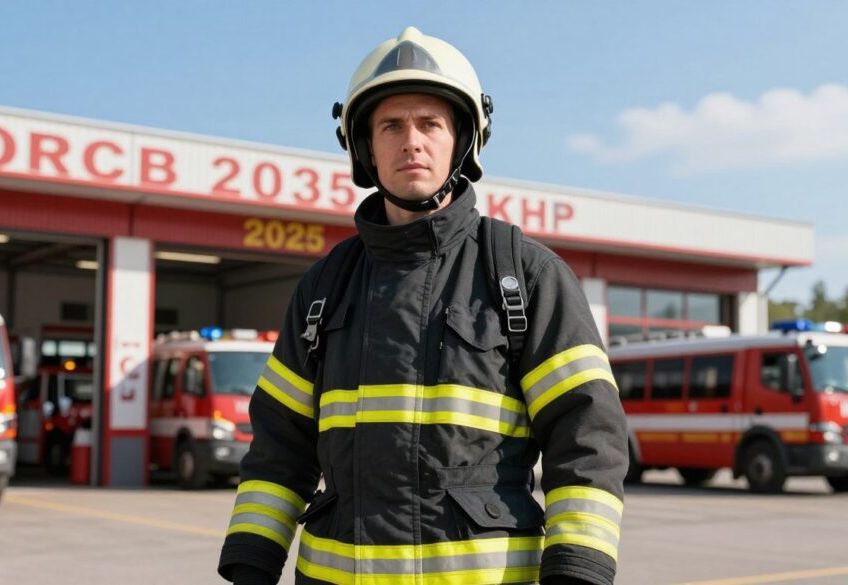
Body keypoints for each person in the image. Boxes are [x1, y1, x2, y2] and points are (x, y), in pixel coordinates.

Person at [218, 27, 628, 585]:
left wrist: (577, 570)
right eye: (391, 125)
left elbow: (588, 439)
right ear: (364, 146)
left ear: (462, 139)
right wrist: (251, 564)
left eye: (430, 123)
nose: (411, 141)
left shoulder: (525, 275)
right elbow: (278, 448)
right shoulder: (323, 288)